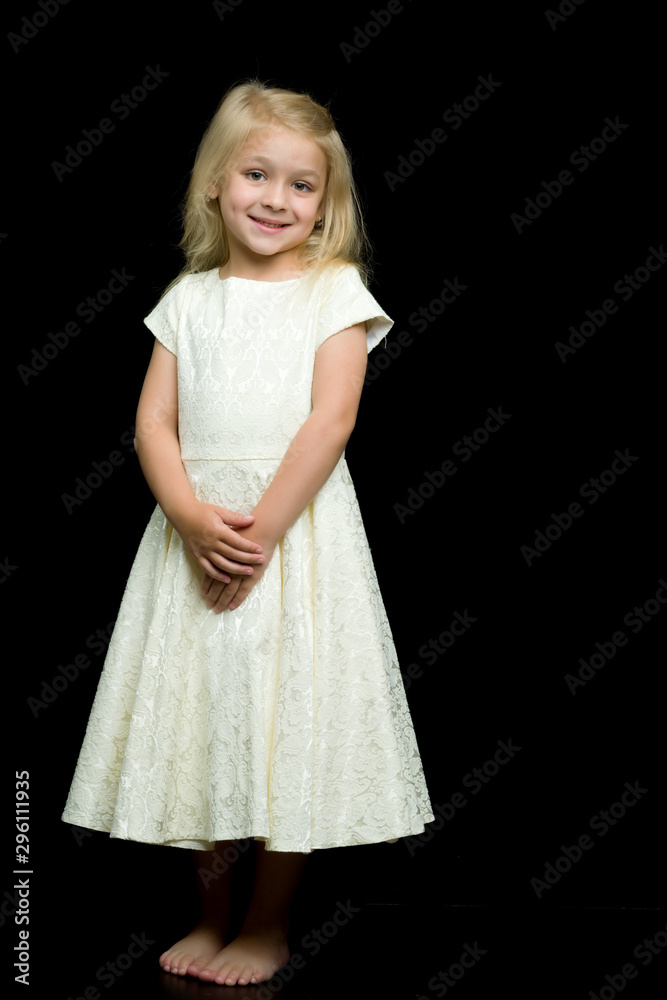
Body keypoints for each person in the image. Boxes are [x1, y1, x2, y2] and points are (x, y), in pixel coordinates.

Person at [61, 78, 434, 987]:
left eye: (302, 186)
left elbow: (330, 421)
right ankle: (211, 912)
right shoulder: (189, 299)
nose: (276, 198)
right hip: (195, 536)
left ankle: (266, 923)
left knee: (282, 725)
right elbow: (153, 424)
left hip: (291, 539)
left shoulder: (332, 290)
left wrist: (259, 532)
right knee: (211, 723)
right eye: (257, 175)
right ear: (214, 187)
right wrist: (192, 519)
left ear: (326, 205)